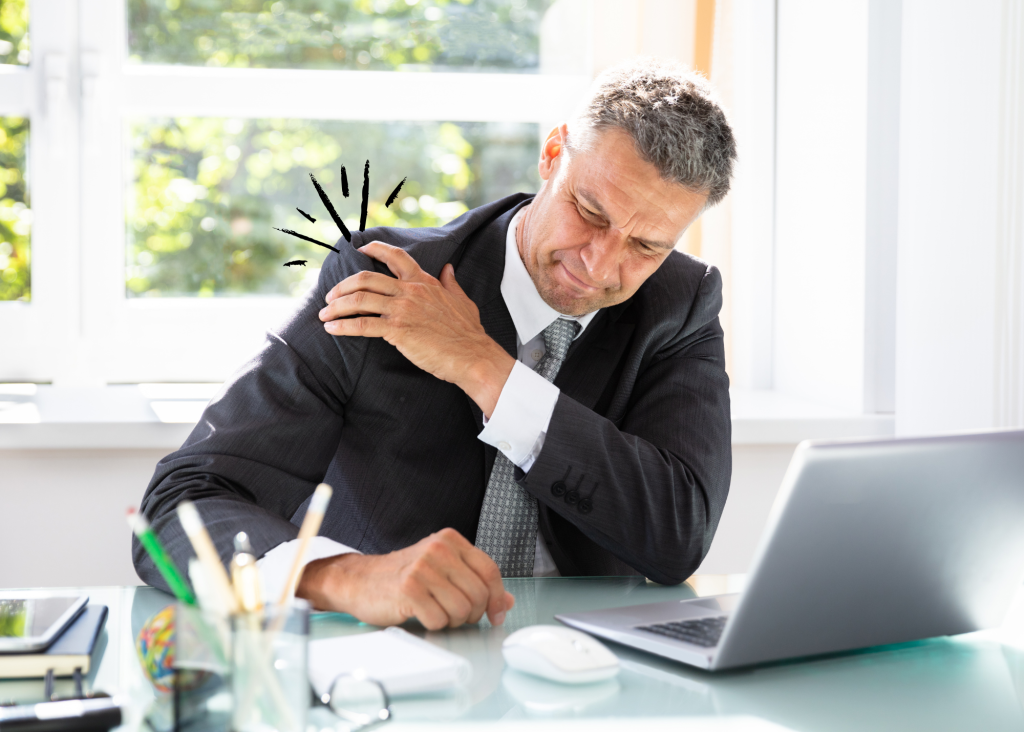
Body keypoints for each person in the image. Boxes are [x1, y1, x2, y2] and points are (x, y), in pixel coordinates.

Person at [134, 57, 736, 631]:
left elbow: (677, 536)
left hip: (585, 671)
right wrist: (345, 578)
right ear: (553, 154)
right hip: (386, 664)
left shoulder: (679, 306)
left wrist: (484, 367)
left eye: (646, 247)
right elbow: (180, 506)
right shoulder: (386, 281)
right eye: (590, 212)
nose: (600, 264)